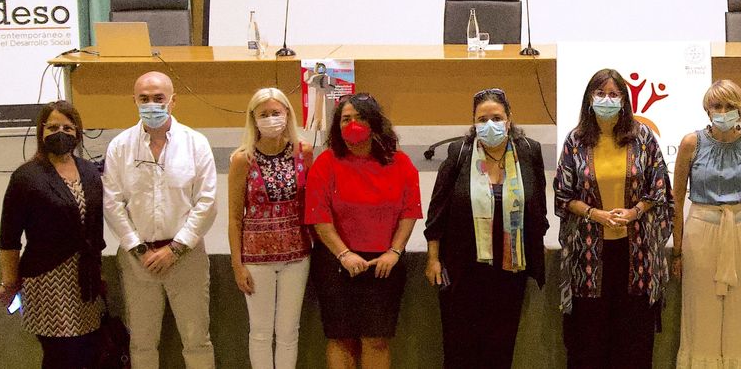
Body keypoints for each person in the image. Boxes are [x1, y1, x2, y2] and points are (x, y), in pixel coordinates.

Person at [554, 69, 675, 369]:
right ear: (589, 99)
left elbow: (659, 188)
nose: (606, 100)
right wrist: (596, 215)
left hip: (637, 258)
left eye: (613, 94)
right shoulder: (576, 140)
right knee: (588, 345)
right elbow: (563, 196)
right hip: (588, 260)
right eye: (600, 94)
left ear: (624, 99)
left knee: (633, 344)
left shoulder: (642, 137)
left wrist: (634, 212)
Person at [424, 88, 548, 369]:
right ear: (474, 123)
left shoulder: (528, 151)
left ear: (509, 119)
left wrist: (537, 249)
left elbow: (538, 203)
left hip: (509, 272)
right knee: (460, 350)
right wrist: (432, 258)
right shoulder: (460, 153)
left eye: (496, 117)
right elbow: (437, 211)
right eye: (482, 119)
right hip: (462, 270)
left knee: (500, 349)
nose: (489, 124)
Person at [101, 71, 217, 369]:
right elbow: (112, 203)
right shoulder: (120, 146)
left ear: (173, 101)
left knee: (196, 341)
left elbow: (206, 203)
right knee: (141, 342)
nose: (151, 104)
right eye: (144, 99)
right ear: (135, 101)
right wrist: (139, 249)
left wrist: (175, 249)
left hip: (186, 257)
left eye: (158, 98)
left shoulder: (196, 143)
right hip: (138, 260)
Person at [305, 93, 423, 369]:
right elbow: (318, 216)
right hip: (336, 264)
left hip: (384, 265)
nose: (353, 124)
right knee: (341, 339)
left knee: (376, 340)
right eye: (346, 119)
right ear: (337, 126)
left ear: (374, 123)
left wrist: (394, 252)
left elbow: (410, 211)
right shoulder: (326, 163)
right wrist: (344, 255)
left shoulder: (400, 163)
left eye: (360, 118)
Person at [0, 100, 105, 368]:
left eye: (68, 128)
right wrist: (10, 283)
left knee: (88, 352)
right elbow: (9, 239)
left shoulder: (90, 172)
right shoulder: (26, 177)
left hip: (84, 281)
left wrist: (99, 275)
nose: (61, 133)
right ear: (41, 132)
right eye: (53, 126)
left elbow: (95, 228)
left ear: (78, 133)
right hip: (46, 282)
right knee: (60, 355)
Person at [671, 79, 741, 368]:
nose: (723, 111)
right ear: (707, 109)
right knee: (702, 313)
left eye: (729, 106)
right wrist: (676, 250)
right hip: (702, 231)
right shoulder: (691, 143)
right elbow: (676, 200)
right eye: (717, 105)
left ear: (740, 109)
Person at [228, 88, 313, 369]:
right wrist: (237, 265)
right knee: (261, 332)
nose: (271, 119)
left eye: (276, 112)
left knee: (289, 332)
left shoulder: (304, 152)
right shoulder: (243, 159)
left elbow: (311, 203)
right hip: (256, 257)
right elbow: (234, 217)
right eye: (264, 114)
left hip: (297, 254)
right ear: (253, 119)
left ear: (287, 113)